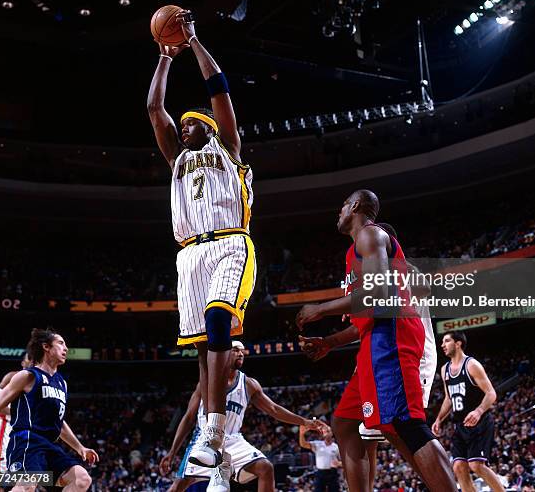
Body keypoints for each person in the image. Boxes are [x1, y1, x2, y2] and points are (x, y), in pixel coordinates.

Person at [147, 10, 255, 489]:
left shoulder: (227, 147)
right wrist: (165, 59)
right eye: (184, 124)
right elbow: (155, 109)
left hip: (229, 241)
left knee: (217, 321)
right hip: (188, 253)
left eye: (195, 122)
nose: (187, 125)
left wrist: (193, 42)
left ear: (210, 128)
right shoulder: (178, 158)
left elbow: (220, 90)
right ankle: (211, 431)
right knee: (200, 348)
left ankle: (212, 428)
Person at [296, 190, 456, 492]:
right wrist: (329, 342)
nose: (339, 211)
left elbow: (379, 295)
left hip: (394, 336)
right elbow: (365, 319)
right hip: (374, 341)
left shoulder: (371, 235)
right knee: (345, 423)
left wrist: (321, 308)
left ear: (356, 206)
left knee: (405, 424)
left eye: (343, 205)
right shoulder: (352, 255)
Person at [159, 341, 320, 491]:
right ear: (224, 354)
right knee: (177, 487)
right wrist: (172, 452)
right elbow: (188, 418)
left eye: (242, 351)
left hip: (233, 440)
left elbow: (273, 409)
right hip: (205, 439)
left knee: (265, 468)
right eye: (235, 350)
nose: (241, 353)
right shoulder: (205, 383)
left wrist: (304, 421)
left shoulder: (249, 384)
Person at [0, 328, 97, 492]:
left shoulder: (62, 383)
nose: (66, 348)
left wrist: (80, 447)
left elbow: (59, 423)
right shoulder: (26, 376)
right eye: (61, 343)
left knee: (81, 479)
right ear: (46, 347)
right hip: (26, 442)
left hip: (49, 445)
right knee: (24, 485)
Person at [432, 331, 504, 492]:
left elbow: (491, 393)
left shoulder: (472, 365)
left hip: (479, 422)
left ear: (458, 344)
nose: (442, 345)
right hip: (460, 424)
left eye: (447, 341)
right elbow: (449, 398)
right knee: (458, 467)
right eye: (442, 342)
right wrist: (439, 419)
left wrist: (478, 411)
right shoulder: (445, 370)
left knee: (476, 465)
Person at [0, 353, 32, 492]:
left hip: (25, 437)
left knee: (24, 482)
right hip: (6, 432)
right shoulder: (12, 377)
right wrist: (20, 414)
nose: (32, 361)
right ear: (23, 363)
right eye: (29, 358)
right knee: (2, 482)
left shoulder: (39, 381)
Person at [299, 424, 341, 492]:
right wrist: (301, 434)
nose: (326, 433)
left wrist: (339, 463)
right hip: (320, 473)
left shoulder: (336, 447)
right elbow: (303, 444)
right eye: (325, 431)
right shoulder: (317, 444)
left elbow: (343, 463)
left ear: (332, 433)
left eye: (328, 431)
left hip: (332, 473)